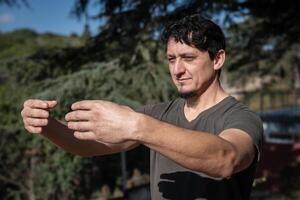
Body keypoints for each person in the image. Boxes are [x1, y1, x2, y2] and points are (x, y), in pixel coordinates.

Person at [21, 14, 263, 199]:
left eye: (188, 58)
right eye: (171, 59)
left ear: (217, 59)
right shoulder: (158, 115)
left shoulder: (241, 118)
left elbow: (226, 159)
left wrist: (140, 127)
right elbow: (86, 146)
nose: (177, 70)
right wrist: (46, 125)